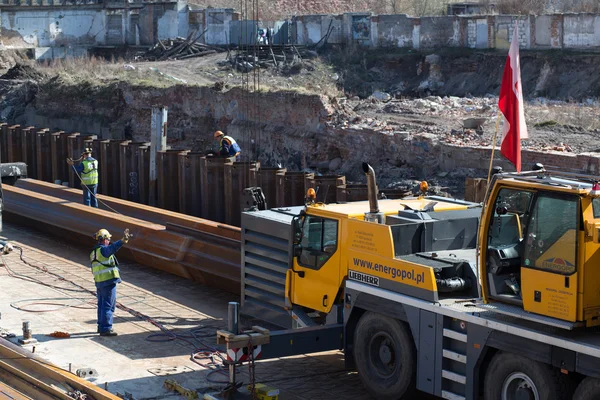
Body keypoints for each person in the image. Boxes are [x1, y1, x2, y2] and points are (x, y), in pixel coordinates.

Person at [91, 228, 132, 336]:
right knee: (108, 305)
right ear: (104, 239)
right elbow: (112, 248)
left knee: (101, 305)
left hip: (99, 283)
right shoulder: (103, 251)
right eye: (108, 239)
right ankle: (106, 328)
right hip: (108, 282)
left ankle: (101, 326)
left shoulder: (94, 253)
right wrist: (123, 240)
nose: (109, 241)